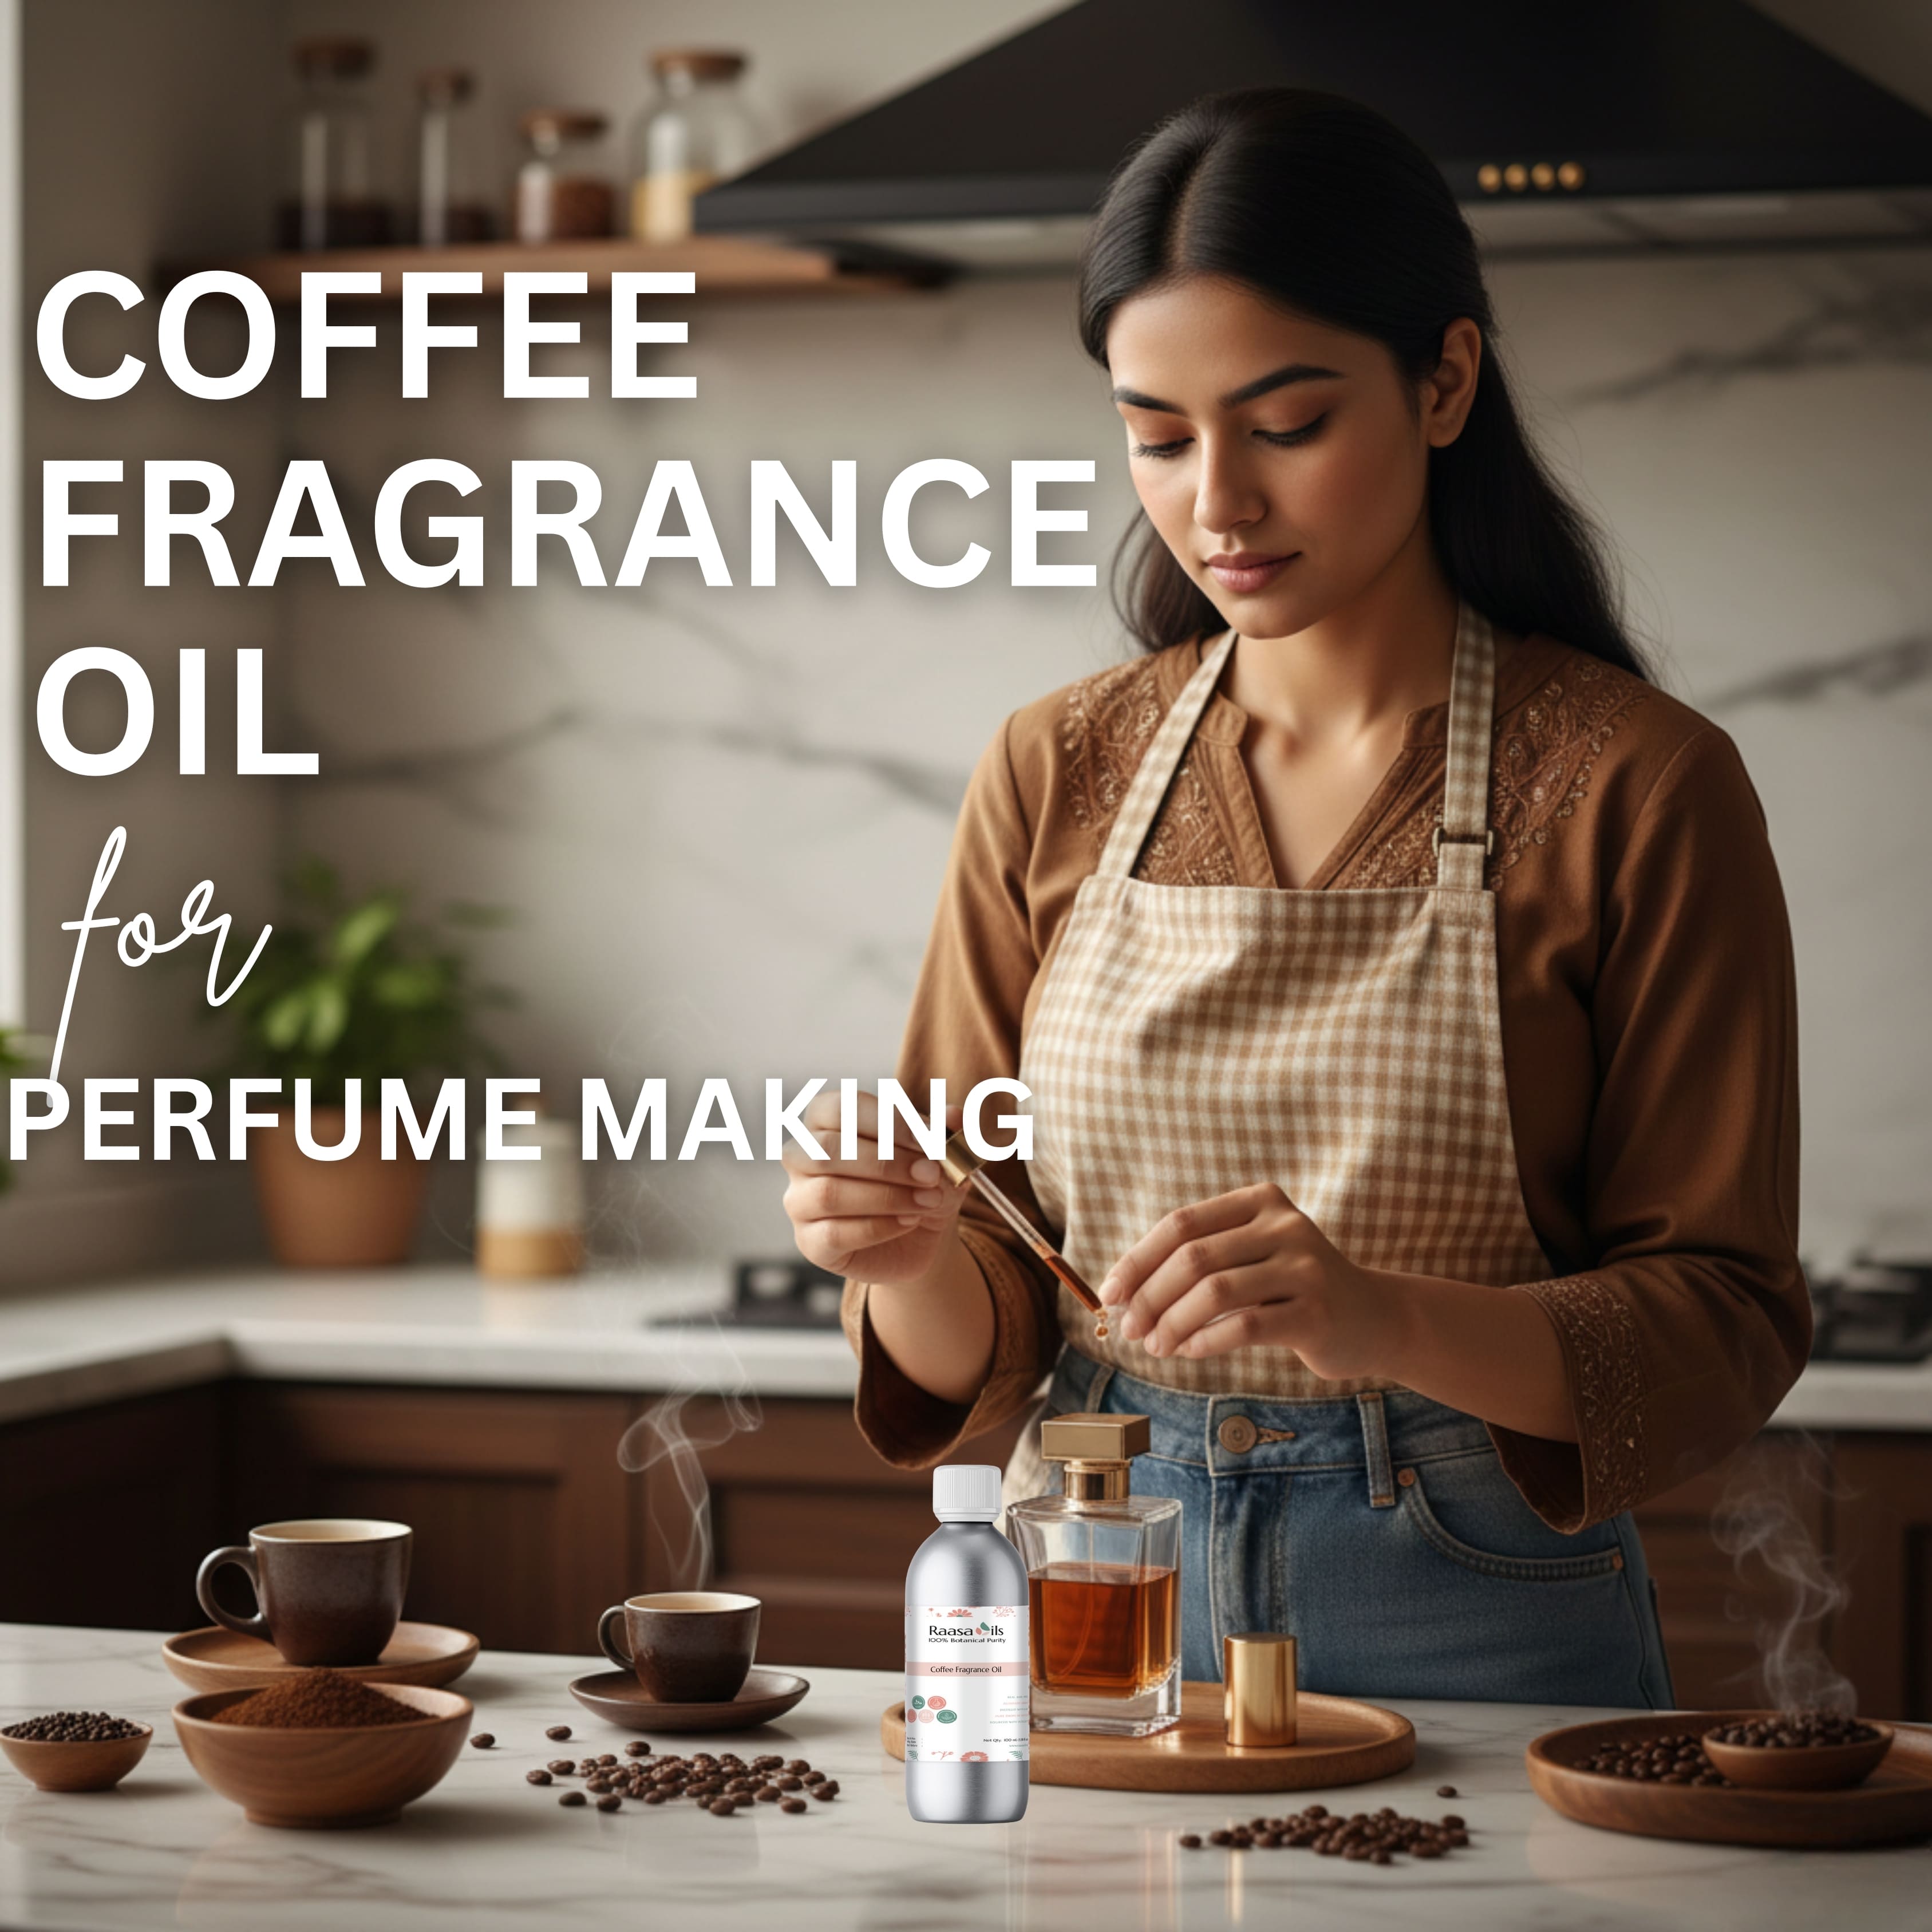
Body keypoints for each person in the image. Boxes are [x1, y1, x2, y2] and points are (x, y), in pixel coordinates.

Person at [781, 89, 1807, 1706]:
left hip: (1476, 1587)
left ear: (1445, 380)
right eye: (1159, 434)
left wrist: (1377, 1313)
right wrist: (899, 1257)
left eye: (1287, 423)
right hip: (1099, 1571)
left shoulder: (1638, 784)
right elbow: (984, 1286)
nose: (1218, 504)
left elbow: (1725, 1320)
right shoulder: (1054, 768)